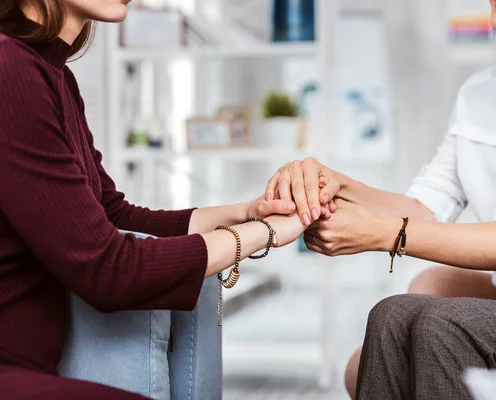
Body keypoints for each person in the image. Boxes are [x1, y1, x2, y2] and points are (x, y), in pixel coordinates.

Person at [265, 0, 496, 398]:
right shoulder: (481, 93)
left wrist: (390, 235)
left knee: (439, 325)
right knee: (389, 317)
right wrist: (333, 183)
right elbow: (425, 208)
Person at [0, 1, 321, 398]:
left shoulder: (54, 76)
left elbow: (112, 214)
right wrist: (265, 232)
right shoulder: (9, 69)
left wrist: (246, 212)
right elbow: (108, 270)